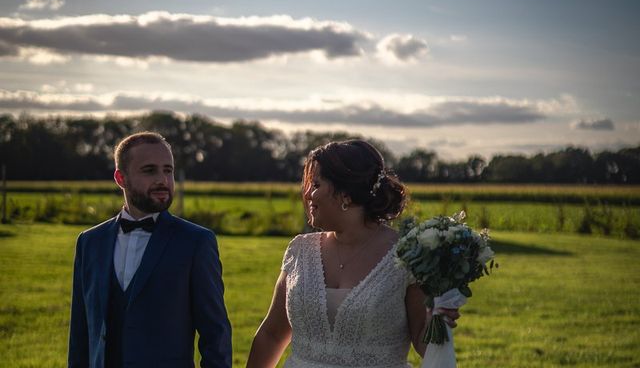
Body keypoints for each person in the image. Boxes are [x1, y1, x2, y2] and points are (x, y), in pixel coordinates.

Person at [246, 139, 460, 368]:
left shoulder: (407, 256)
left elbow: (421, 336)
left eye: (316, 184)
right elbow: (272, 334)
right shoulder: (299, 251)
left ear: (346, 195)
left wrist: (438, 317)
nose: (307, 194)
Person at [68, 132, 232, 368]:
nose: (162, 180)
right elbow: (80, 334)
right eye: (149, 170)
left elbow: (215, 334)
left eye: (168, 170)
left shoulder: (196, 242)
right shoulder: (90, 242)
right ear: (120, 178)